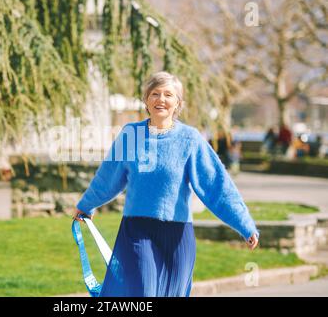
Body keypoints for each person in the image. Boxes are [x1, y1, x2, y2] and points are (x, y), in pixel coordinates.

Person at [72, 71, 259, 297]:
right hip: (137, 231)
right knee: (144, 293)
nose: (161, 100)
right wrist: (86, 204)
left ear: (178, 103)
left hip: (177, 235)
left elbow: (216, 186)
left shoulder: (190, 139)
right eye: (155, 94)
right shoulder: (130, 134)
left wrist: (244, 224)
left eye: (168, 95)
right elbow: (108, 178)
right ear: (146, 101)